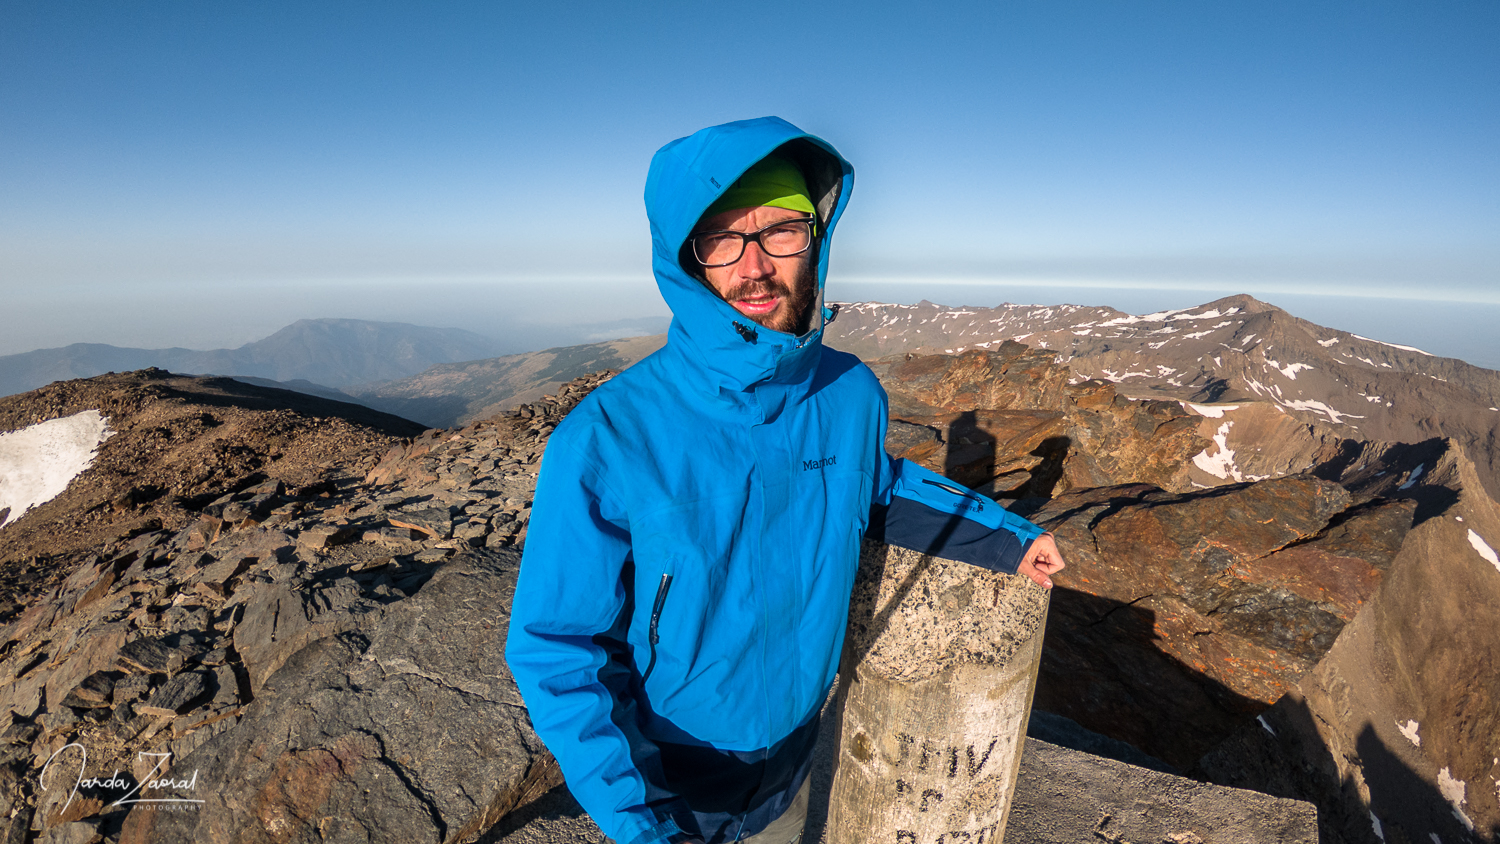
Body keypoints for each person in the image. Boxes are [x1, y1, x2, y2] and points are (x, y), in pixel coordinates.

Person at [506, 116, 1066, 844]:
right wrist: (640, 825)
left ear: (817, 239)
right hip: (673, 777)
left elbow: (876, 486)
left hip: (794, 755)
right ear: (687, 261)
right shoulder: (609, 436)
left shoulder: (849, 393)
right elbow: (556, 647)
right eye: (722, 239)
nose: (755, 265)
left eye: (781, 232)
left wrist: (1008, 539)